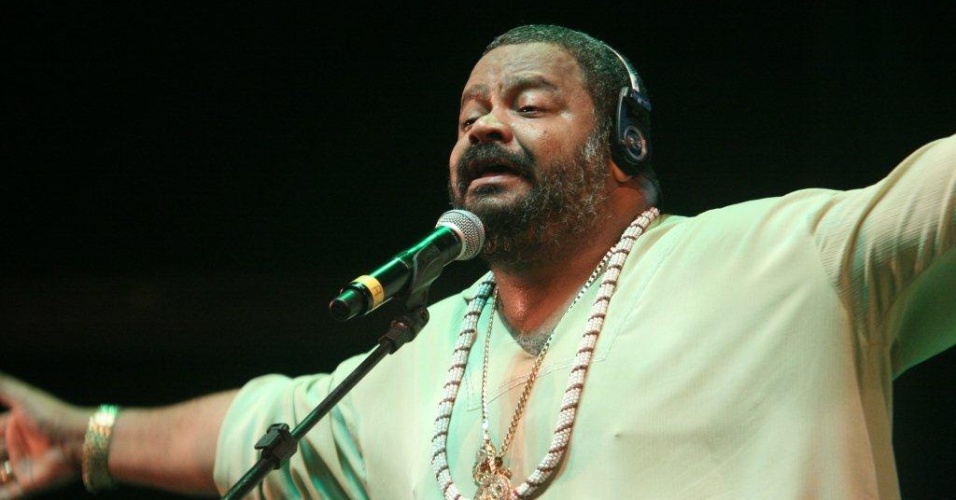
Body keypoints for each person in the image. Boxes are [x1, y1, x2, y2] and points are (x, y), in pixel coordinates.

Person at [1, 23, 954, 500]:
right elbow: (261, 428)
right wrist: (82, 433)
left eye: (530, 104)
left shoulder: (787, 258)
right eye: (469, 118)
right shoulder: (417, 358)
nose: (488, 123)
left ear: (626, 141)